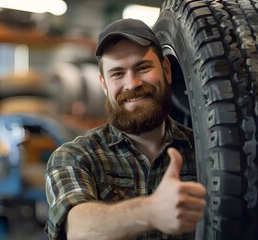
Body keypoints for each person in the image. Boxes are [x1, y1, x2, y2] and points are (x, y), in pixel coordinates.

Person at [45, 18, 207, 240]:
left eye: (143, 67)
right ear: (104, 85)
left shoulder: (206, 151)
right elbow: (78, 229)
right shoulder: (75, 157)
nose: (132, 84)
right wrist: (151, 211)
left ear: (167, 71)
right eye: (118, 73)